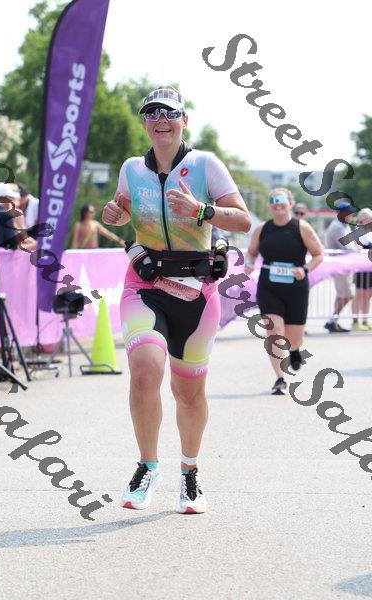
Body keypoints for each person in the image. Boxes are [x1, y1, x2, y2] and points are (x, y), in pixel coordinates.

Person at [102, 85, 251, 513]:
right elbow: (122, 209)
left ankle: (190, 472)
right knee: (144, 371)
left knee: (189, 393)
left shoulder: (205, 164)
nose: (161, 121)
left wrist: (201, 210)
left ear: (184, 120)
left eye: (169, 113)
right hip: (145, 284)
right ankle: (148, 466)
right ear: (144, 122)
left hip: (197, 291)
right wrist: (116, 213)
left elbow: (243, 219)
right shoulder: (132, 168)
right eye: (152, 113)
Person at [245, 188, 324, 395]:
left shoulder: (301, 227)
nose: (277, 203)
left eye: (281, 200)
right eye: (273, 200)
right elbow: (251, 253)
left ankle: (295, 350)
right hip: (269, 287)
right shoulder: (262, 229)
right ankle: (280, 379)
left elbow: (318, 254)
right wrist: (249, 263)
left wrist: (304, 269)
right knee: (274, 331)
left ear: (290, 203)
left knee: (294, 338)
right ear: (269, 205)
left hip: (296, 288)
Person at [324, 201, 359, 333]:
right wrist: (359, 250)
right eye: (349, 212)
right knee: (346, 295)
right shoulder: (338, 227)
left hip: (344, 266)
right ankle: (332, 321)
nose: (351, 215)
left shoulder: (342, 225)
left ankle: (333, 321)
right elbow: (348, 247)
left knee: (343, 295)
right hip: (340, 267)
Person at [352, 208, 372, 330]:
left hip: (370, 268)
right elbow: (355, 247)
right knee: (359, 294)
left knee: (368, 294)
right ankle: (355, 322)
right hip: (361, 268)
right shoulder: (358, 232)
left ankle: (365, 320)